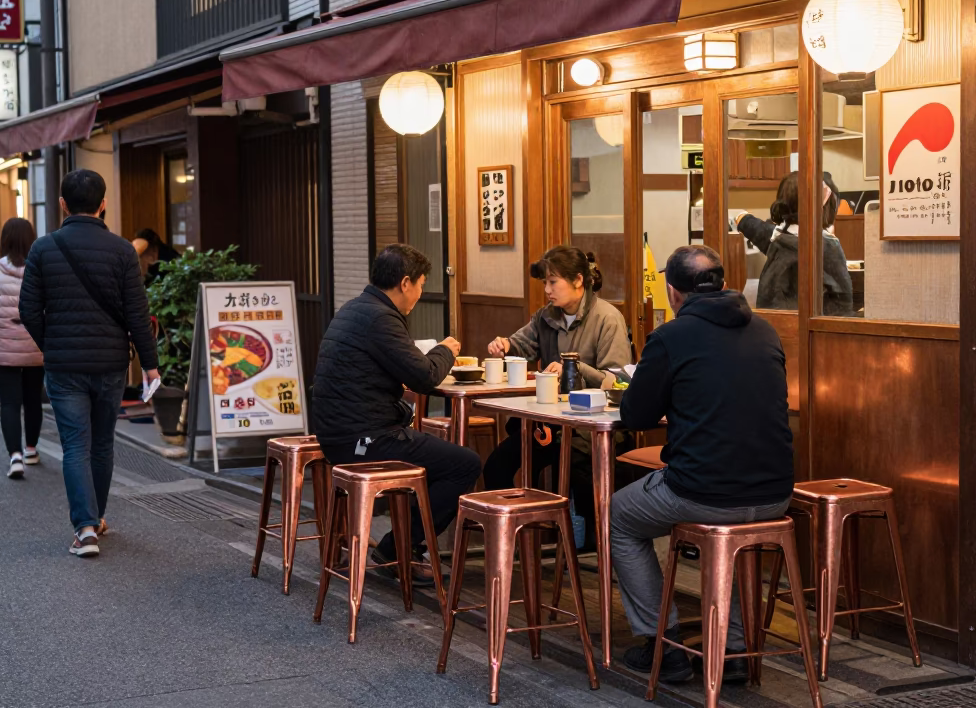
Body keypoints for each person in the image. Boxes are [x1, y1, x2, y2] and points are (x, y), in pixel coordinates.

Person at [613, 245, 793, 684]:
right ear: (725, 282)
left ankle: (663, 645)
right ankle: (732, 653)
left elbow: (635, 417)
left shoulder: (672, 337)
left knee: (618, 516)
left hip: (702, 493)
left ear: (673, 293)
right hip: (775, 494)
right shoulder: (766, 331)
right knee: (720, 528)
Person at [311, 243, 480, 584]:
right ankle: (399, 549)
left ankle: (403, 544)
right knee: (465, 463)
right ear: (405, 283)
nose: (419, 293)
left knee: (436, 458)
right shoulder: (381, 318)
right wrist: (444, 349)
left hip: (338, 435)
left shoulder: (355, 308)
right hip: (363, 440)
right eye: (420, 284)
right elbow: (425, 377)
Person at [20, 169, 160, 558]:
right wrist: (150, 365)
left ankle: (85, 528)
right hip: (112, 362)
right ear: (103, 205)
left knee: (75, 446)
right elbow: (137, 313)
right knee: (102, 443)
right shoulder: (121, 251)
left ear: (62, 204)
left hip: (64, 367)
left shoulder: (44, 248)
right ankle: (95, 519)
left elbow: (28, 309)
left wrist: (53, 343)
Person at [484, 246, 630, 547]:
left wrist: (574, 366)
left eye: (553, 282)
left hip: (590, 428)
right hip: (550, 425)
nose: (547, 290)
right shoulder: (546, 317)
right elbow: (522, 344)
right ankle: (516, 540)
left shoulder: (607, 319)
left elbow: (619, 381)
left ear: (578, 280)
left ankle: (595, 543)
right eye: (545, 283)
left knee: (578, 467)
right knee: (497, 464)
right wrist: (505, 346)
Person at [0, 218, 44, 479]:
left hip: (3, 349)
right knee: (33, 400)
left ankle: (15, 456)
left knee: (10, 404)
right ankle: (32, 448)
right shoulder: (42, 271)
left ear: (4, 241)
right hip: (37, 348)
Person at [735, 171, 854, 316]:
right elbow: (844, 304)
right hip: (809, 331)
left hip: (772, 326)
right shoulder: (827, 246)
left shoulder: (777, 238)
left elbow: (752, 226)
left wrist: (741, 217)